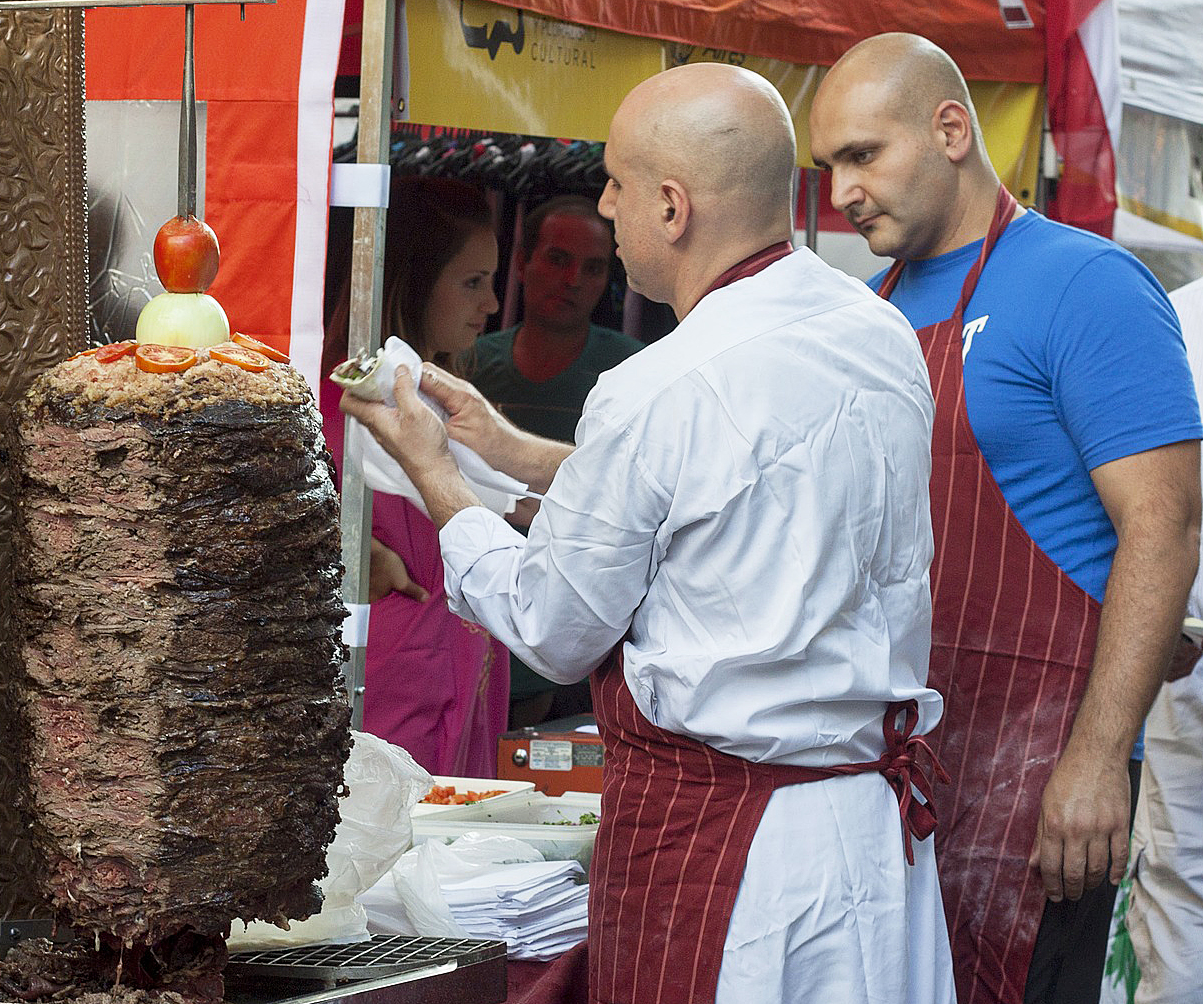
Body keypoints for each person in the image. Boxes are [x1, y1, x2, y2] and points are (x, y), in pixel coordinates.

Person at [343, 62, 954, 1004]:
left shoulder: (659, 385)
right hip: (864, 829)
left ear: (672, 207)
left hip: (732, 851)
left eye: (618, 184)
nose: (605, 203)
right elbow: (728, 494)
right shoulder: (875, 334)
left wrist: (434, 470)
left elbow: (553, 623)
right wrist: (507, 448)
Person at [809, 33, 1202, 1004]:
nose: (842, 194)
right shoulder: (864, 315)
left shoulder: (1087, 284)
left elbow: (1164, 527)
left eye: (863, 155)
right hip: (899, 776)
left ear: (949, 129)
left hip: (1043, 775)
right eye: (828, 168)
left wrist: (1100, 757)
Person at [320, 175, 509, 777]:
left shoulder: (455, 409)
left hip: (455, 705)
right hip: (391, 718)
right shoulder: (335, 411)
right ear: (415, 280)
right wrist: (346, 550)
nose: (493, 305)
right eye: (473, 282)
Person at [462, 195, 644, 726]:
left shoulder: (632, 371)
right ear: (522, 262)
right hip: (475, 617)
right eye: (558, 259)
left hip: (582, 635)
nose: (572, 280)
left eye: (593, 268)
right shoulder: (469, 363)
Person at [1103, 274, 1203, 1004]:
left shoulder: (1172, 315)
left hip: (1181, 641)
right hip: (1178, 649)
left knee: (1179, 881)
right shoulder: (1172, 313)